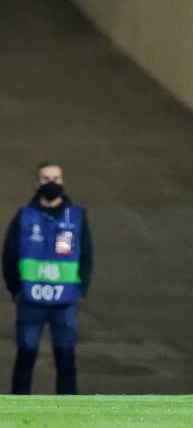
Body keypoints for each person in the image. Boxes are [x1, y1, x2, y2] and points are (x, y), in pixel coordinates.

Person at [2, 162, 93, 394]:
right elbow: (9, 255)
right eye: (45, 178)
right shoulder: (24, 218)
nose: (51, 183)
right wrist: (16, 290)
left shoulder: (76, 218)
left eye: (56, 178)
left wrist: (80, 289)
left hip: (64, 303)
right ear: (37, 183)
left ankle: (67, 414)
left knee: (66, 361)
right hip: (31, 301)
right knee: (26, 357)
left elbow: (87, 255)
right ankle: (19, 411)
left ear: (62, 182)